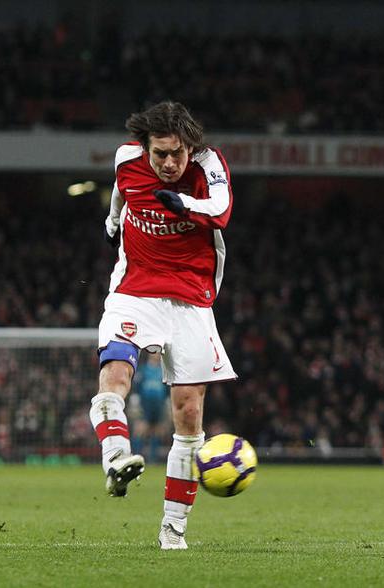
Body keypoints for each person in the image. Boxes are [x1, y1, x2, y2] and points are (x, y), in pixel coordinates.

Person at [90, 101, 236, 550]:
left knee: (189, 413)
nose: (169, 163)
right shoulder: (126, 159)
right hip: (135, 287)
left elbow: (222, 209)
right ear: (145, 149)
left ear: (190, 147)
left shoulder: (208, 163)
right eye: (160, 155)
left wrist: (185, 203)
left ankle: (173, 529)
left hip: (191, 295)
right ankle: (116, 456)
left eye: (177, 153)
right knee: (115, 373)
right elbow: (121, 190)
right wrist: (113, 220)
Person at [131, 352, 170, 462]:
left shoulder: (163, 371)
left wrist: (167, 401)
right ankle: (136, 456)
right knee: (140, 429)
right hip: (145, 404)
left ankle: (153, 460)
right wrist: (135, 400)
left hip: (159, 404)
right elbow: (137, 385)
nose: (156, 355)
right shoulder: (143, 369)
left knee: (157, 430)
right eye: (154, 353)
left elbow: (167, 388)